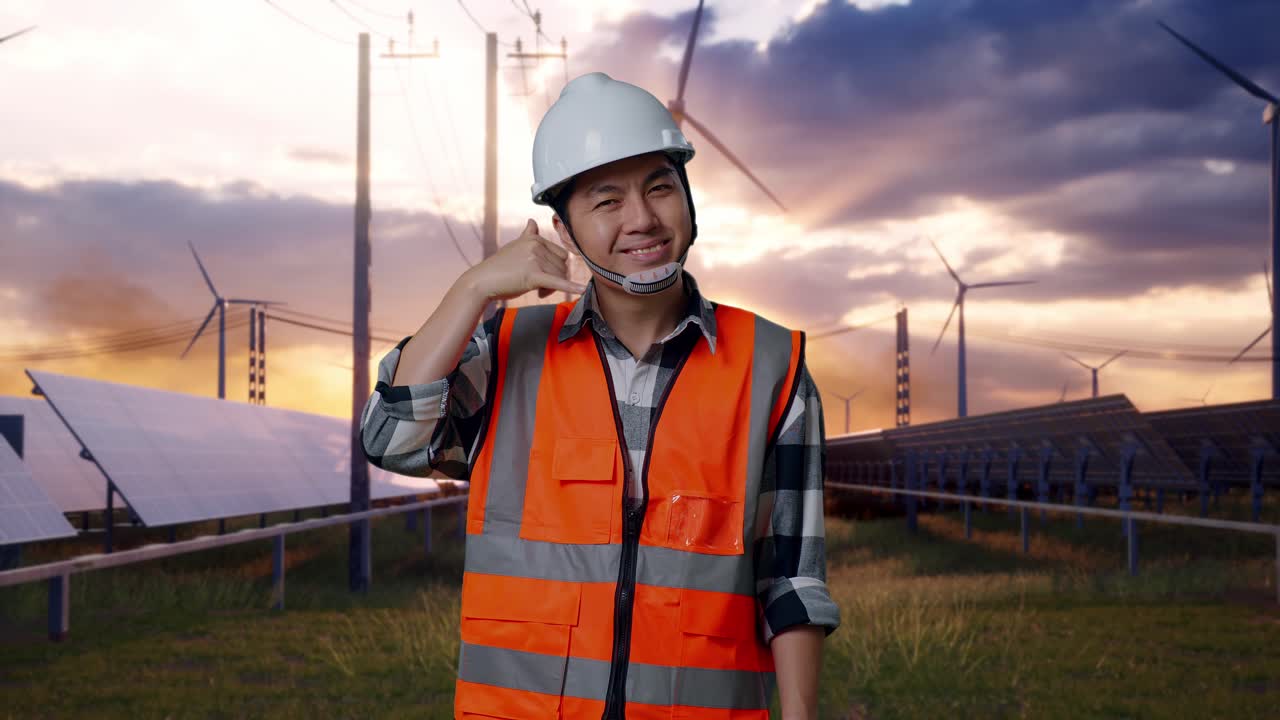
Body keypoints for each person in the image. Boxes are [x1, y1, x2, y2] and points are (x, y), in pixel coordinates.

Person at [361, 72, 839, 720]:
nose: (642, 219)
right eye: (607, 201)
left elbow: (792, 578)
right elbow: (390, 437)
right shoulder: (505, 354)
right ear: (563, 227)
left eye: (660, 188)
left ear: (690, 200)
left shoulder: (773, 367)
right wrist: (472, 289)